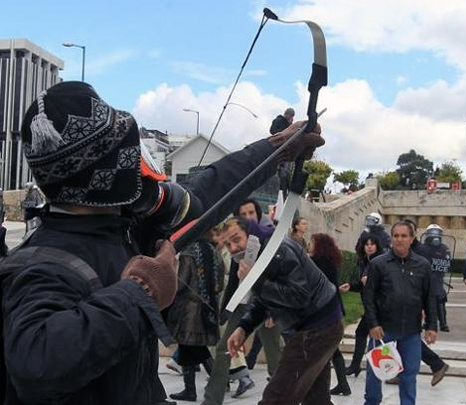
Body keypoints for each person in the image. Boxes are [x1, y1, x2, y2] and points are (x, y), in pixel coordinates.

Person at [0, 81, 324, 405]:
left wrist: (278, 148)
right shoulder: (41, 265)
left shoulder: (122, 228)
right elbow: (35, 360)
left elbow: (209, 192)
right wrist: (141, 289)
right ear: (113, 169)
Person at [225, 217, 344, 405]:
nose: (232, 248)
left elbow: (299, 295)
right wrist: (244, 327)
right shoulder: (261, 253)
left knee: (277, 398)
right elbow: (267, 299)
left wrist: (256, 280)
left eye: (236, 239)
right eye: (227, 244)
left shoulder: (276, 250)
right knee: (316, 400)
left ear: (251, 235)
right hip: (322, 325)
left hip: (316, 329)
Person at [362, 221, 438, 405]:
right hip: (382, 329)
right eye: (396, 236)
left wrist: (431, 326)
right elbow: (368, 296)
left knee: (410, 373)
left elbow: (429, 297)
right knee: (375, 370)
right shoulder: (378, 264)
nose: (399, 240)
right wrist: (373, 323)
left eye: (404, 236)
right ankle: (371, 402)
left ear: (412, 239)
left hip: (410, 330)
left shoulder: (423, 265)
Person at [166, 227, 225, 401]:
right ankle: (217, 382)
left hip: (190, 311)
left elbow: (181, 283)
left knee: (190, 348)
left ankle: (193, 390)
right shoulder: (215, 252)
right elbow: (219, 284)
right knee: (196, 349)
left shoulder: (189, 252)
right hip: (209, 309)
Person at [231, 198, 282, 382]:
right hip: (242, 301)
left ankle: (282, 386)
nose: (248, 218)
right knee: (227, 344)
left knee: (274, 349)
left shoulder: (270, 236)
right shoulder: (236, 241)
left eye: (251, 213)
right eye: (243, 214)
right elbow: (232, 278)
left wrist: (271, 310)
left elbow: (277, 276)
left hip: (266, 303)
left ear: (258, 214)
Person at [402, 219, 449, 388]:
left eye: (406, 234)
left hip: (413, 302)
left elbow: (424, 282)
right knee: (402, 339)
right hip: (402, 301)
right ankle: (433, 365)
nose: (401, 238)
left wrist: (423, 308)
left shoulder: (420, 253)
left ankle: (436, 364)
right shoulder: (404, 251)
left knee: (408, 338)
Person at [308, 233, 351, 396]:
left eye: (312, 243)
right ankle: (342, 384)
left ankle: (323, 391)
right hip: (332, 311)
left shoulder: (318, 263)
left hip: (324, 313)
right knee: (333, 350)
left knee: (326, 351)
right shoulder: (329, 262)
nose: (309, 245)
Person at [345, 235, 385, 378]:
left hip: (378, 306)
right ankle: (356, 366)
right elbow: (363, 286)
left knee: (374, 336)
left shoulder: (380, 262)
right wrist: (351, 286)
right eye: (366, 244)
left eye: (372, 244)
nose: (369, 247)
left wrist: (369, 280)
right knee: (363, 333)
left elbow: (382, 285)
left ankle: (359, 366)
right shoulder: (365, 262)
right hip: (370, 306)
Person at [421, 224, 452, 332]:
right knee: (426, 301)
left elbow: (447, 262)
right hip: (426, 278)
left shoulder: (444, 248)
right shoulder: (423, 248)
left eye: (437, 232)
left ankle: (443, 323)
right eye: (432, 232)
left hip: (438, 277)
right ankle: (428, 322)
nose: (435, 235)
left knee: (440, 300)